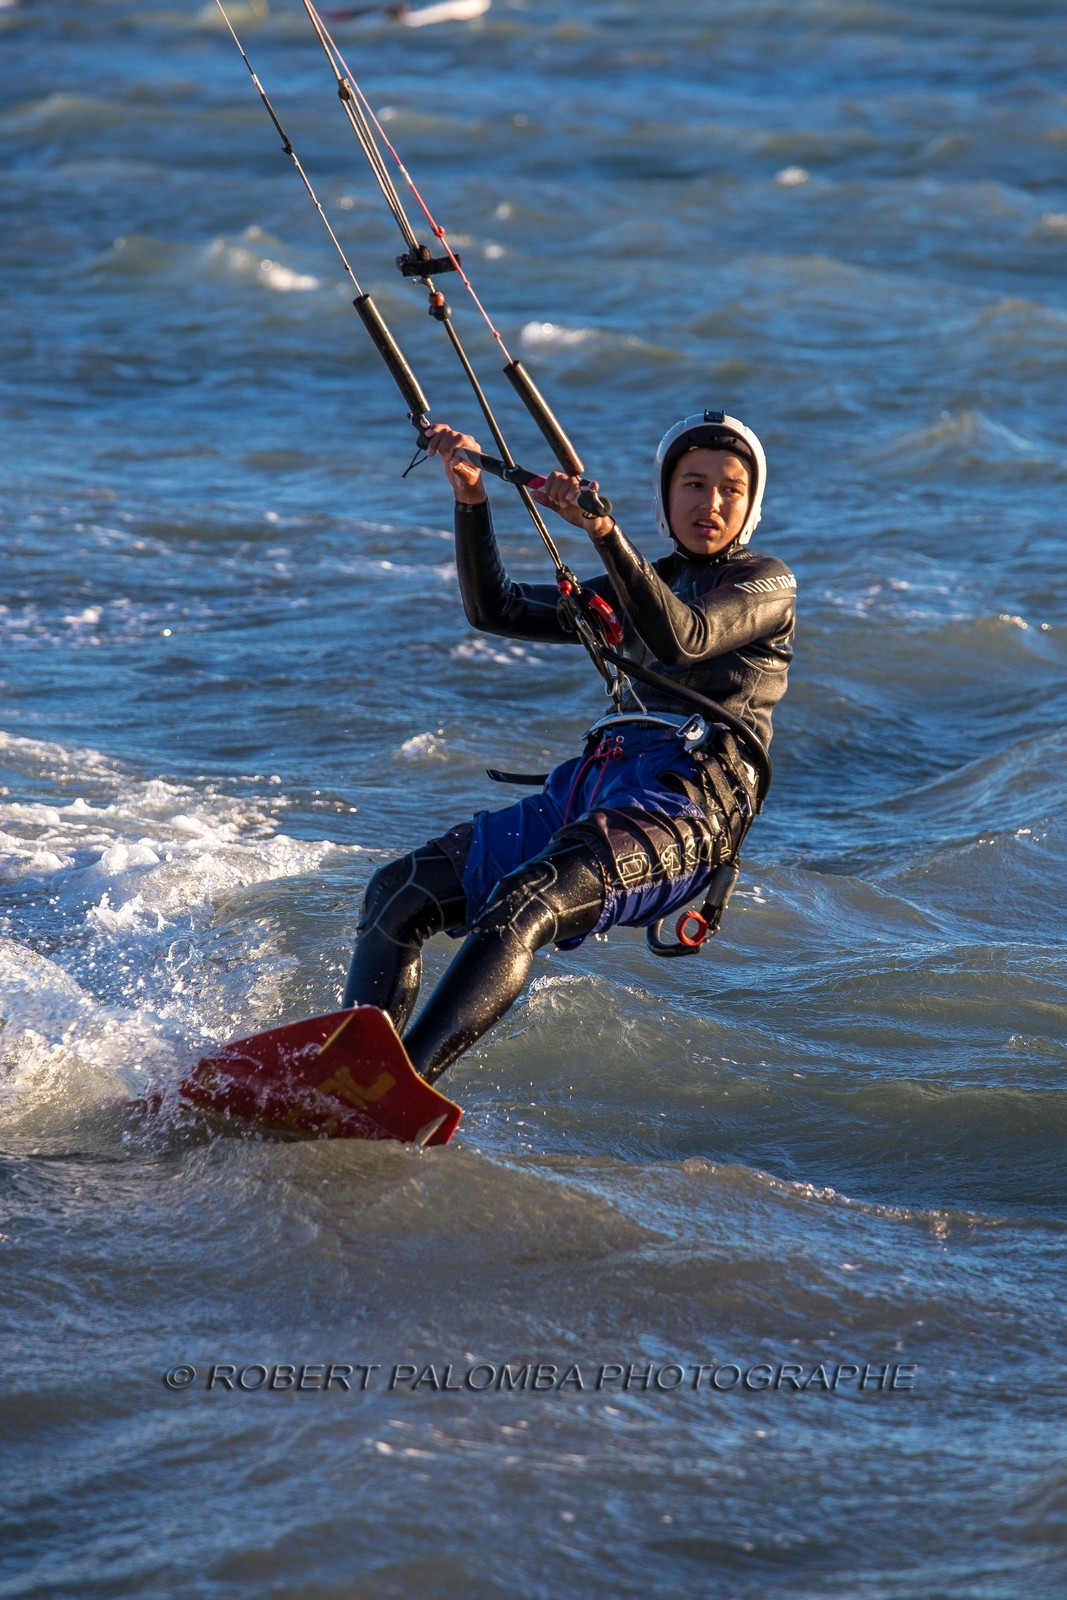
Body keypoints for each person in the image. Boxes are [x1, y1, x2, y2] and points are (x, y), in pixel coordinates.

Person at [342, 409, 796, 1084]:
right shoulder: (637, 585)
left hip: (687, 808)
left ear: (749, 504)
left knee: (524, 902)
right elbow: (491, 609)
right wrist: (472, 497)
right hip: (593, 788)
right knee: (398, 891)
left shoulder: (765, 582)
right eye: (693, 484)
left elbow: (686, 638)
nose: (711, 502)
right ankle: (343, 1073)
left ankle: (392, 1090)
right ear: (666, 497)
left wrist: (604, 533)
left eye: (730, 488)